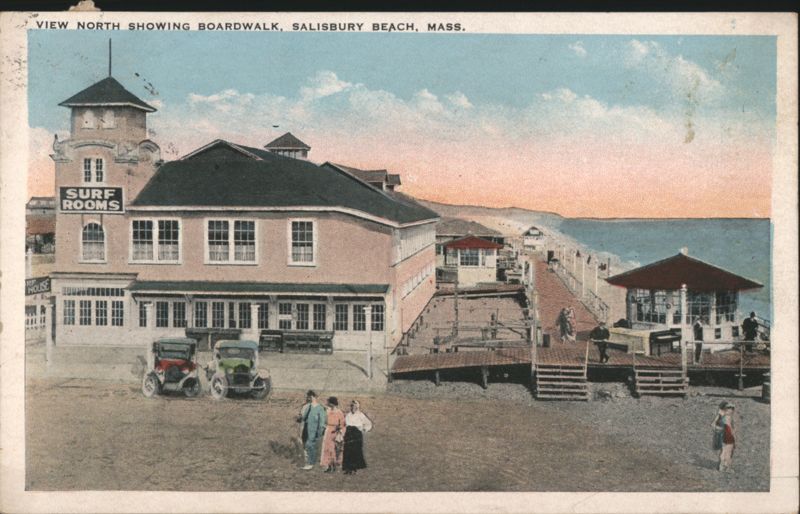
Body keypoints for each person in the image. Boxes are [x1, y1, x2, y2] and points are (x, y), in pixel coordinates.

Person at [342, 400, 373, 475]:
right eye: (351, 406)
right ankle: (347, 468)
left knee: (355, 451)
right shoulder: (348, 415)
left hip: (356, 434)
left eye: (354, 406)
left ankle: (354, 469)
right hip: (348, 434)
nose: (353, 407)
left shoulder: (361, 415)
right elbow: (344, 424)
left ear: (357, 407)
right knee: (347, 451)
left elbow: (368, 423)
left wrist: (364, 429)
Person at [299, 390, 326, 470]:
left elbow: (322, 422)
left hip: (313, 429)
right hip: (306, 428)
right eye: (308, 397)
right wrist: (299, 418)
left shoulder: (320, 408)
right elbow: (303, 417)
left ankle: (310, 463)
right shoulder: (308, 406)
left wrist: (319, 432)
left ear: (313, 397)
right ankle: (308, 462)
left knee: (310, 445)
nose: (309, 398)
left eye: (310, 397)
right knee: (305, 444)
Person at [320, 397, 346, 472]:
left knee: (333, 449)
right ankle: (328, 466)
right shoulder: (327, 411)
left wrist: (338, 430)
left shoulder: (339, 412)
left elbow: (342, 424)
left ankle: (333, 465)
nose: (327, 404)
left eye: (328, 402)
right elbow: (325, 421)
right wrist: (325, 428)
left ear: (332, 403)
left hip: (335, 432)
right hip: (328, 431)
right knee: (326, 449)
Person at [712, 402, 736, 471]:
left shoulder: (729, 417)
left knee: (728, 451)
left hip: (729, 435)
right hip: (725, 435)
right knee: (725, 451)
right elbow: (713, 425)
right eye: (728, 409)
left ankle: (725, 466)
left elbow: (733, 428)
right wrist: (719, 429)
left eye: (731, 409)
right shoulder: (722, 416)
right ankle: (723, 466)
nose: (730, 410)